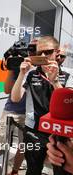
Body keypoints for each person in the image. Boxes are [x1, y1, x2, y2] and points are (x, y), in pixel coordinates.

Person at [11, 36, 72, 175]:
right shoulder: (31, 73)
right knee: (33, 169)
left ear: (57, 53)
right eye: (39, 53)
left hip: (59, 132)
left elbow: (68, 106)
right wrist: (21, 74)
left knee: (62, 171)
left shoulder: (68, 74)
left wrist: (55, 81)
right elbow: (15, 98)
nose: (43, 56)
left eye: (48, 52)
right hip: (34, 131)